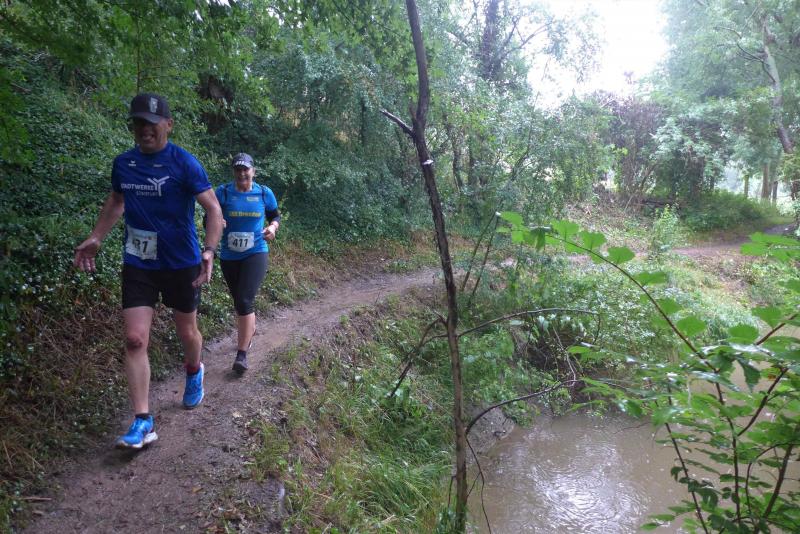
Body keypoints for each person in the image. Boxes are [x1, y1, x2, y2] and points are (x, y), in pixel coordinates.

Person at [73, 93, 223, 449]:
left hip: (181, 262)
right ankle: (142, 420)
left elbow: (214, 210)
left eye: (152, 123)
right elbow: (117, 200)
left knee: (187, 331)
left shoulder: (185, 164)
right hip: (139, 262)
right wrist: (96, 236)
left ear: (168, 125)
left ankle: (194, 370)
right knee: (135, 339)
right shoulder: (124, 164)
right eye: (139, 123)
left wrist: (209, 251)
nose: (145, 129)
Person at [215, 153, 280, 374]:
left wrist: (272, 227)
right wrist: (217, 221)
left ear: (253, 171)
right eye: (238, 169)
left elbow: (275, 216)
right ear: (233, 172)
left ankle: (241, 355)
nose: (242, 173)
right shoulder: (223, 192)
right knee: (239, 302)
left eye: (246, 169)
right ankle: (249, 328)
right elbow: (208, 219)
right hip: (229, 255)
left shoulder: (263, 193)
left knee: (244, 300)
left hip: (256, 251)